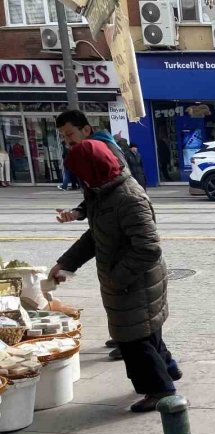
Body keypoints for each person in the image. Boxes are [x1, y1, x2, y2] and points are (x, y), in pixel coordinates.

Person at [49, 140, 180, 412]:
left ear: (93, 169)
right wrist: (66, 262)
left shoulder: (127, 197)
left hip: (134, 282)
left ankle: (160, 391)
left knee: (133, 341)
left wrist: (116, 279)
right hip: (129, 282)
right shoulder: (102, 192)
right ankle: (169, 369)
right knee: (147, 332)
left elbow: (148, 248)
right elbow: (97, 235)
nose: (79, 179)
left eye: (81, 173)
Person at [55, 109, 132, 361]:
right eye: (64, 138)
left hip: (125, 258)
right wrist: (77, 212)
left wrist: (118, 277)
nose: (69, 142)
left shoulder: (103, 156)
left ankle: (129, 341)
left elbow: (147, 246)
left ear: (86, 130)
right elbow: (97, 208)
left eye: (70, 135)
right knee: (135, 321)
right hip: (114, 255)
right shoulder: (93, 165)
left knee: (140, 329)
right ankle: (127, 338)